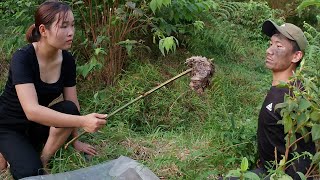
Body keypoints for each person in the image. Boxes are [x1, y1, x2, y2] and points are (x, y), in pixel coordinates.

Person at [0, 1, 107, 179]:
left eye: (72, 25)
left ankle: (43, 159)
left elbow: (72, 104)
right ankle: (5, 148)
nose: (71, 32)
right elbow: (32, 110)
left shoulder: (67, 60)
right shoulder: (23, 58)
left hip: (36, 125)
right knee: (28, 174)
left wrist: (76, 140)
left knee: (70, 109)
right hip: (8, 126)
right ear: (43, 30)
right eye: (63, 26)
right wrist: (82, 122)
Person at [255, 20, 316, 178]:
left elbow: (303, 158)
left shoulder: (295, 99)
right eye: (271, 44)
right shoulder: (280, 89)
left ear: (296, 56)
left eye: (279, 46)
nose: (269, 50)